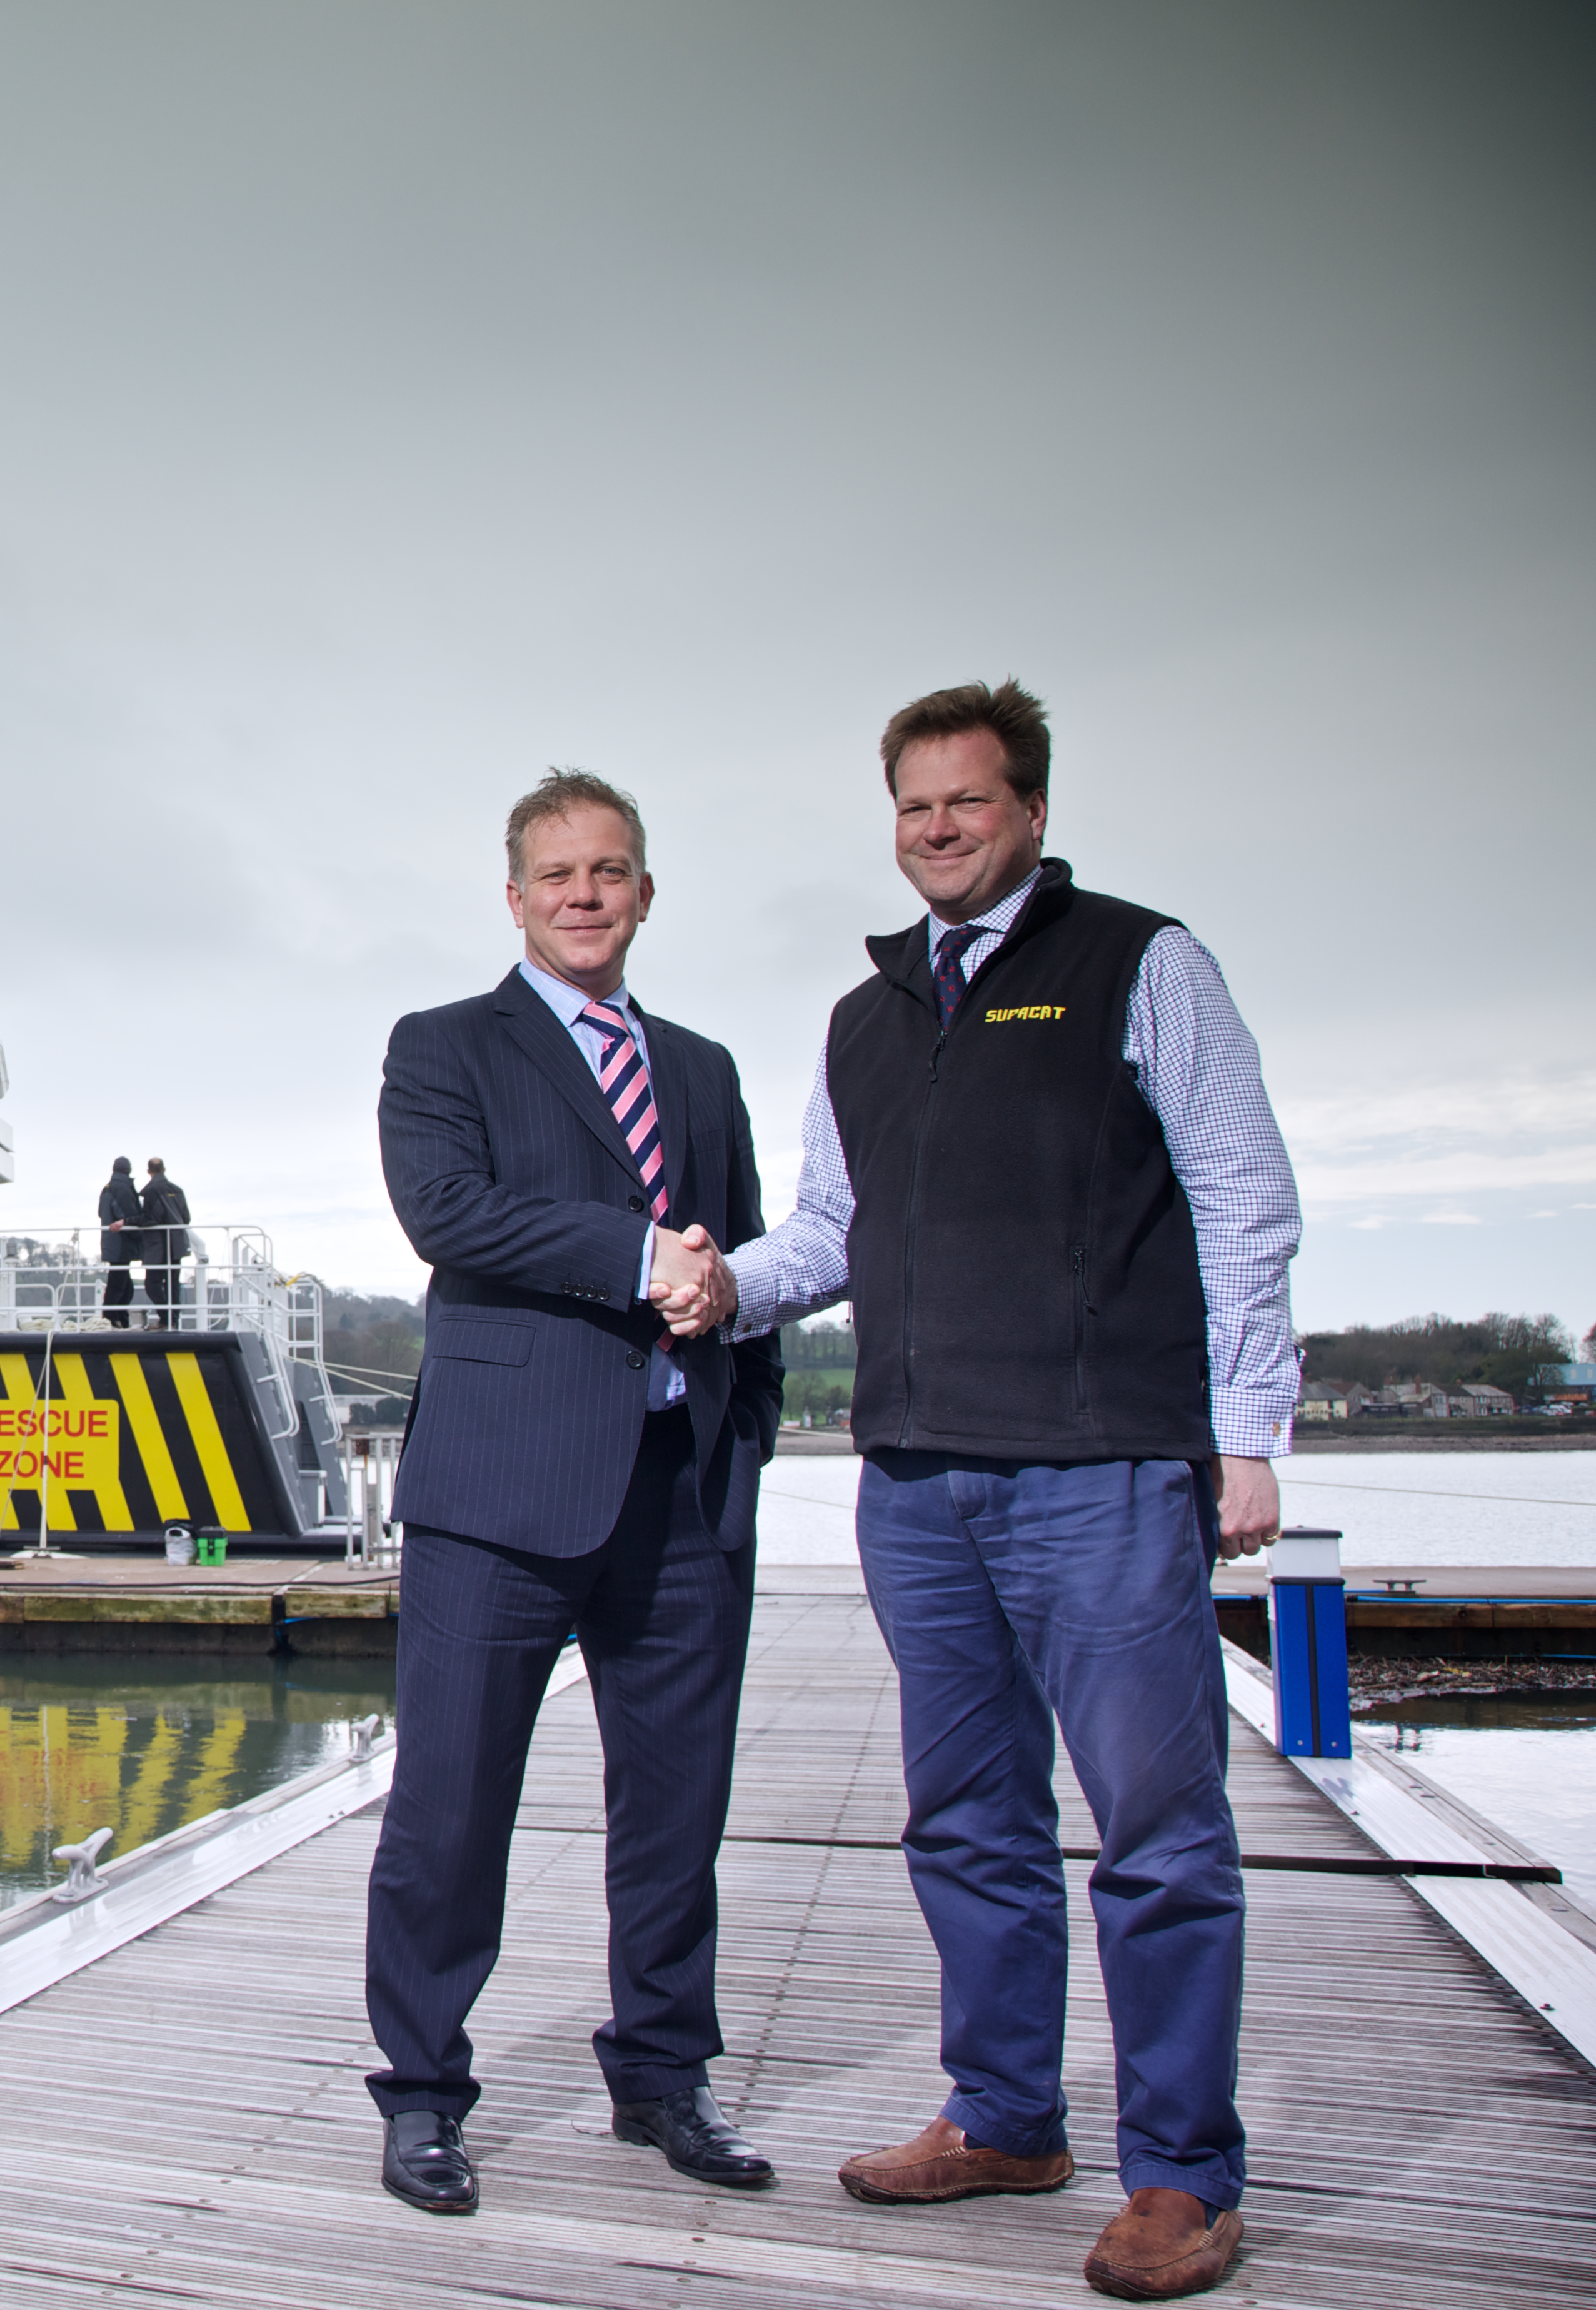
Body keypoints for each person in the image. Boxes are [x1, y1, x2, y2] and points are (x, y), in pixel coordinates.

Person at [716, 682, 1298, 2303]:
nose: (938, 829)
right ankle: (1003, 2115)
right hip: (913, 1473)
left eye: (966, 801)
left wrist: (1242, 1428)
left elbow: (1240, 1193)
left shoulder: (1139, 960)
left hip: (1103, 1468)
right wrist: (705, 1284)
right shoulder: (863, 1016)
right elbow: (827, 1236)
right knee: (964, 1818)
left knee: (1154, 1832)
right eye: (912, 807)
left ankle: (1179, 2170)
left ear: (1028, 809)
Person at [366, 771, 778, 2218]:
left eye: (608, 870)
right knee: (449, 1806)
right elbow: (450, 1215)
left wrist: (750, 1439)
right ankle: (421, 2092)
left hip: (679, 1493)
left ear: (644, 891)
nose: (583, 893)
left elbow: (744, 1270)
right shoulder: (440, 1048)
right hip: (497, 1493)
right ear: (514, 896)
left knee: (674, 1809)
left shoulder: (707, 1067)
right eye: (555, 873)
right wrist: (632, 1254)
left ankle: (661, 2075)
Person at [135, 1158, 191, 1329]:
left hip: (158, 1247)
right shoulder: (178, 1191)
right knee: (173, 1284)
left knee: (152, 1284)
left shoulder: (152, 1191)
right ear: (164, 1169)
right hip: (177, 1245)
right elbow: (186, 1218)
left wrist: (128, 1221)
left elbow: (151, 1219)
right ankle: (173, 1320)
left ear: (148, 1171)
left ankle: (166, 1318)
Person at [96, 1158, 144, 1328]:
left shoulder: (107, 1188)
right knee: (119, 1286)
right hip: (123, 1243)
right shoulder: (123, 1188)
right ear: (128, 1170)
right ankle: (111, 1319)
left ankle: (120, 1320)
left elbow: (102, 1213)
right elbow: (130, 1214)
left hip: (112, 1241)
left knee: (123, 1285)